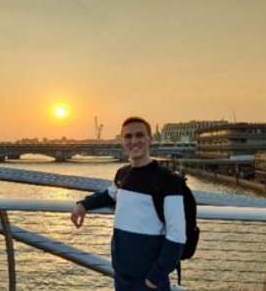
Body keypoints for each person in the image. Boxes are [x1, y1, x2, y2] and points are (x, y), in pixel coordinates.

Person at [71, 116, 186, 291]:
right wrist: (83, 204)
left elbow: (177, 235)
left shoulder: (167, 181)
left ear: (150, 139)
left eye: (139, 135)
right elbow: (110, 195)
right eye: (128, 137)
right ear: (122, 141)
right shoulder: (122, 174)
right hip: (121, 272)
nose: (134, 141)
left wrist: (155, 277)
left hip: (148, 279)